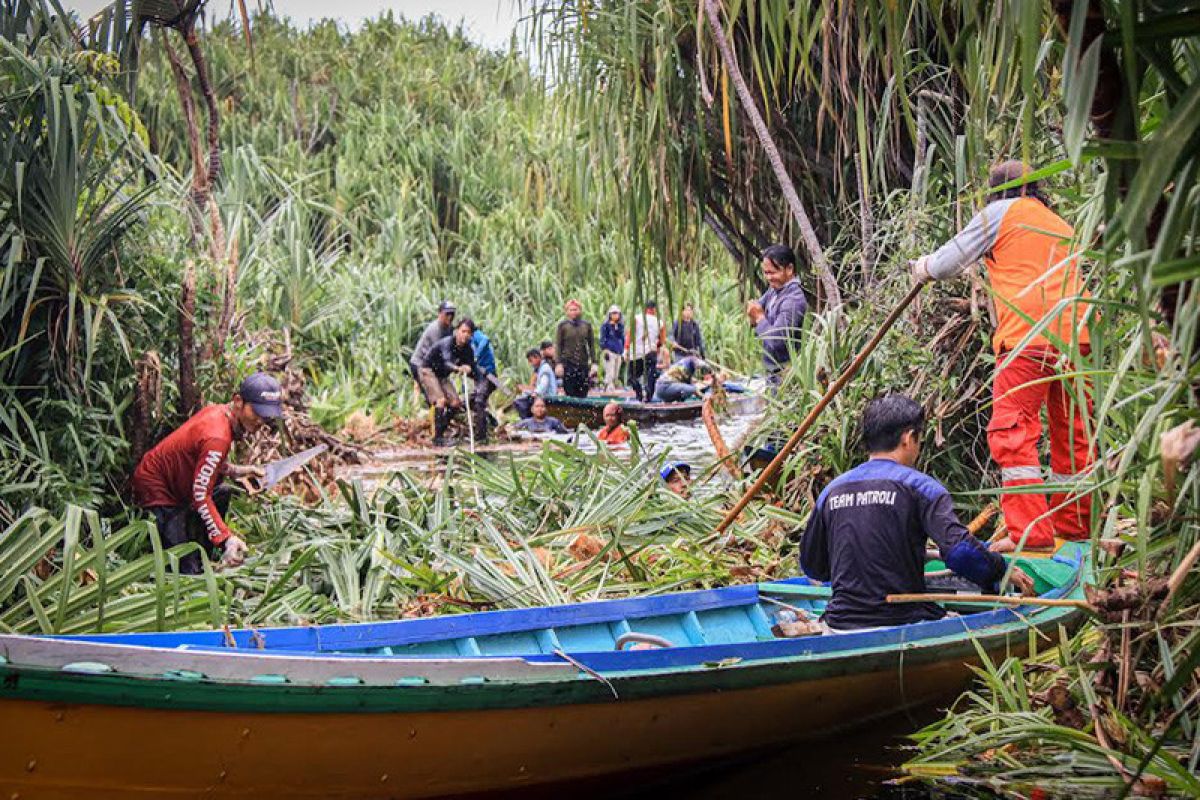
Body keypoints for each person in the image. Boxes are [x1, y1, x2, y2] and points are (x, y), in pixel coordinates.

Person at [911, 160, 1093, 552]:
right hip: (1075, 342)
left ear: (997, 192)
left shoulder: (1001, 213)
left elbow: (944, 264)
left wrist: (921, 267)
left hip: (1028, 338)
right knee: (1073, 435)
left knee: (1012, 433)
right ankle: (1075, 528)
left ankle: (1030, 536)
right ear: (1037, 188)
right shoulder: (1060, 223)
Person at [800, 394, 1035, 632]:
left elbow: (813, 566)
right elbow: (961, 553)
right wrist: (1001, 569)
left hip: (841, 624)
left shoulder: (831, 491)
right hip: (904, 621)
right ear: (909, 438)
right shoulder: (921, 487)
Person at [131, 373, 284, 574]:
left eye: (266, 415)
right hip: (159, 490)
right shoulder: (217, 437)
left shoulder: (221, 412)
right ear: (238, 401)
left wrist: (239, 471)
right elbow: (200, 494)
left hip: (181, 483)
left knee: (223, 492)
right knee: (185, 572)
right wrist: (226, 538)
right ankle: (195, 564)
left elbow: (204, 461)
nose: (260, 421)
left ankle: (204, 555)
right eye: (256, 412)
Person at [747, 245, 808, 379]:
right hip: (772, 371)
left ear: (790, 269)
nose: (769, 278)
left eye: (773, 272)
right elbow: (754, 308)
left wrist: (759, 318)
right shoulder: (774, 290)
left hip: (786, 374)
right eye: (766, 273)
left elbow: (776, 342)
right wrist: (755, 316)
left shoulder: (794, 300)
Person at [420, 318, 478, 446]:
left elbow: (472, 366)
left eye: (469, 333)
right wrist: (459, 368)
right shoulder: (447, 343)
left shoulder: (467, 348)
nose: (466, 335)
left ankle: (439, 429)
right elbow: (447, 362)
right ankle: (438, 438)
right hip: (429, 370)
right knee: (441, 401)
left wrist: (469, 368)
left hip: (442, 375)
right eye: (463, 331)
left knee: (456, 403)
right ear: (457, 331)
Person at [409, 301, 456, 398]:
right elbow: (440, 354)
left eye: (452, 314)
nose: (450, 317)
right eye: (447, 314)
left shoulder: (449, 328)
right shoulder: (435, 330)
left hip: (433, 365)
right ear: (440, 314)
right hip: (420, 364)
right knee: (435, 397)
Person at [554, 299, 597, 398]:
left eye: (575, 309)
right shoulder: (563, 326)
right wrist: (558, 364)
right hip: (568, 363)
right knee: (569, 390)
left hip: (583, 363)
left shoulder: (586, 325)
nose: (573, 312)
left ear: (580, 310)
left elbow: (591, 345)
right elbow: (558, 345)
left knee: (583, 390)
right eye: (571, 310)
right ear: (567, 312)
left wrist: (594, 363)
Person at [626, 300, 665, 402]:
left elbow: (630, 336)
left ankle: (639, 393)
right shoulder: (660, 322)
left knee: (631, 377)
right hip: (651, 352)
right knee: (650, 376)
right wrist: (655, 346)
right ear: (654, 310)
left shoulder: (637, 319)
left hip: (637, 353)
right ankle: (648, 398)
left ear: (645, 309)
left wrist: (626, 349)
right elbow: (662, 341)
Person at [470, 325, 499, 443]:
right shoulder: (465, 341)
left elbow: (485, 340)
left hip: (488, 375)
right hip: (479, 377)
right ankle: (490, 420)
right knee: (470, 401)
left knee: (479, 401)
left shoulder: (476, 334)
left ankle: (481, 436)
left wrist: (476, 356)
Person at [515, 348, 557, 418]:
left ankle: (527, 420)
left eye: (531, 360)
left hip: (548, 397)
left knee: (520, 402)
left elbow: (544, 384)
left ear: (537, 357)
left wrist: (536, 393)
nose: (530, 363)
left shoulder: (545, 368)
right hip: (543, 395)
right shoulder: (541, 368)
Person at [599, 305, 625, 391]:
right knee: (610, 372)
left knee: (615, 374)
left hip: (618, 352)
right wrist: (605, 350)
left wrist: (623, 351)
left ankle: (611, 388)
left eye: (616, 313)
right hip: (609, 351)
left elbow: (621, 338)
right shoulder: (605, 326)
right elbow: (603, 338)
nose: (615, 315)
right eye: (613, 313)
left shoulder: (620, 326)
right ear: (610, 314)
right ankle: (608, 389)